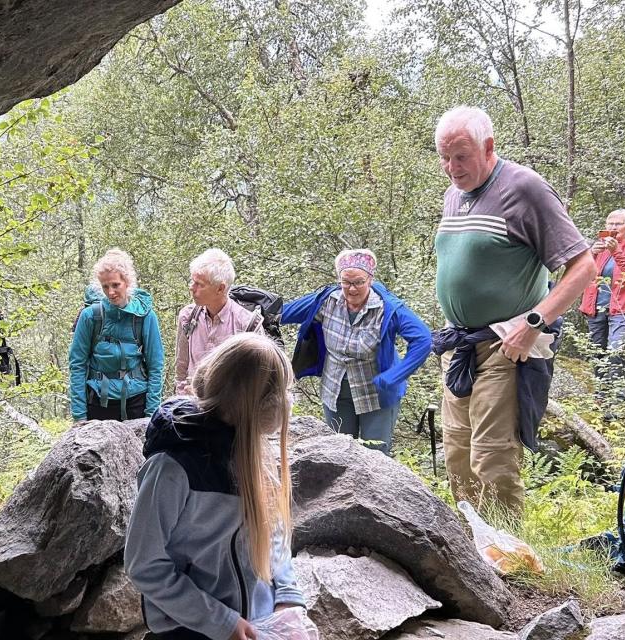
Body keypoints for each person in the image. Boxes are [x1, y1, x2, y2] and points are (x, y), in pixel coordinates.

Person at [431, 106, 595, 516]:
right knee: (456, 456)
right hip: (461, 347)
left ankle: (507, 564)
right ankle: (471, 552)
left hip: (506, 347)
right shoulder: (455, 193)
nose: (452, 167)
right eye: (444, 157)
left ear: (489, 148)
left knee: (492, 460)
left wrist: (534, 322)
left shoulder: (525, 188)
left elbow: (584, 265)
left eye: (461, 156)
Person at [125, 333, 305, 640]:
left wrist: (287, 595)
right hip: (190, 630)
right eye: (281, 392)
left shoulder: (250, 447)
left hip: (255, 623)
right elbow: (145, 564)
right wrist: (223, 622)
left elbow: (271, 529)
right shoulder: (172, 468)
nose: (287, 401)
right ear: (257, 407)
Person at [281, 249, 431, 454]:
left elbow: (423, 340)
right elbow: (281, 313)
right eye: (346, 282)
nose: (352, 289)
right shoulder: (326, 301)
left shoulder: (387, 308)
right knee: (340, 454)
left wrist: (394, 376)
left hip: (376, 393)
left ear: (370, 279)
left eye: (358, 282)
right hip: (335, 390)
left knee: (377, 456)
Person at [69, 249, 164, 422]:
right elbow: (77, 364)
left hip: (136, 400)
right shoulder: (90, 316)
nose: (110, 292)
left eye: (115, 285)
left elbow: (156, 365)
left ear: (127, 282)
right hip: (98, 401)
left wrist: (151, 412)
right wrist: (79, 415)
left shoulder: (145, 316)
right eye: (105, 286)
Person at [175, 248, 264, 395]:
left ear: (220, 288)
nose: (192, 288)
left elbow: (256, 379)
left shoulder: (247, 325)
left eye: (200, 284)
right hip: (192, 408)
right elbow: (181, 369)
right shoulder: (187, 316)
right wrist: (182, 399)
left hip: (232, 412)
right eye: (192, 281)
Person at [579, 209, 625, 400]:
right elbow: (581, 273)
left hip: (622, 309)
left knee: (616, 350)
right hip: (595, 307)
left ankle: (619, 399)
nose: (613, 227)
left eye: (618, 224)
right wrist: (591, 254)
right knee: (597, 353)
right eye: (610, 224)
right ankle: (601, 395)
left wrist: (616, 251)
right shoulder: (597, 248)